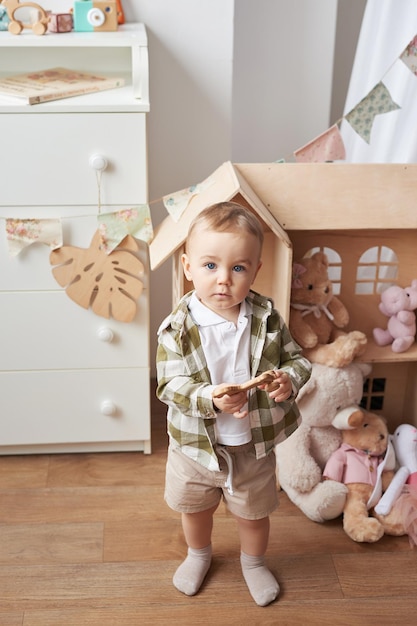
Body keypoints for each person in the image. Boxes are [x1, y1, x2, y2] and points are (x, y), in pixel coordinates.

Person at [156, 201, 311, 606]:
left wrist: (286, 381)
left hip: (251, 445)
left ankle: (254, 562)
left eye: (238, 268)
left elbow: (296, 360)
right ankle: (198, 554)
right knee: (195, 509)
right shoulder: (177, 328)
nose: (223, 280)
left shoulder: (267, 318)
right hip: (195, 445)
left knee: (254, 513)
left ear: (256, 270)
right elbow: (169, 385)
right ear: (188, 267)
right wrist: (210, 398)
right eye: (210, 266)